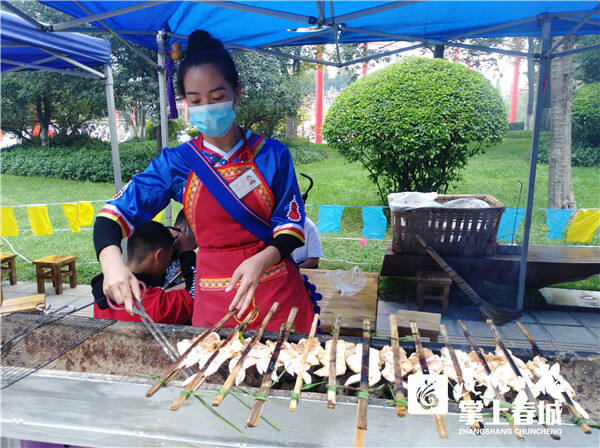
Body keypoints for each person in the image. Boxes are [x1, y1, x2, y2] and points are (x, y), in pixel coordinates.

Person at [93, 30, 316, 333]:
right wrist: (111, 264)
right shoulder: (176, 163)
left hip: (276, 293)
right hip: (215, 299)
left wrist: (262, 260)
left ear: (237, 93)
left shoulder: (272, 155)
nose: (207, 107)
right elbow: (114, 215)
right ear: (185, 102)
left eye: (218, 97)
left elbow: (291, 226)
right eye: (196, 100)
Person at [92, 221, 194, 325]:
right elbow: (197, 293)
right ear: (159, 256)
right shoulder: (158, 305)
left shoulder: (103, 291)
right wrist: (187, 252)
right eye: (170, 255)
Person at [293, 173, 323, 268]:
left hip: (303, 269)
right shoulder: (279, 224)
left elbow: (314, 260)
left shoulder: (309, 227)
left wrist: (296, 270)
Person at [164, 209, 197, 297]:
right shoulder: (160, 245)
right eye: (197, 236)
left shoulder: (184, 249)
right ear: (183, 229)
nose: (198, 244)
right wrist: (187, 253)